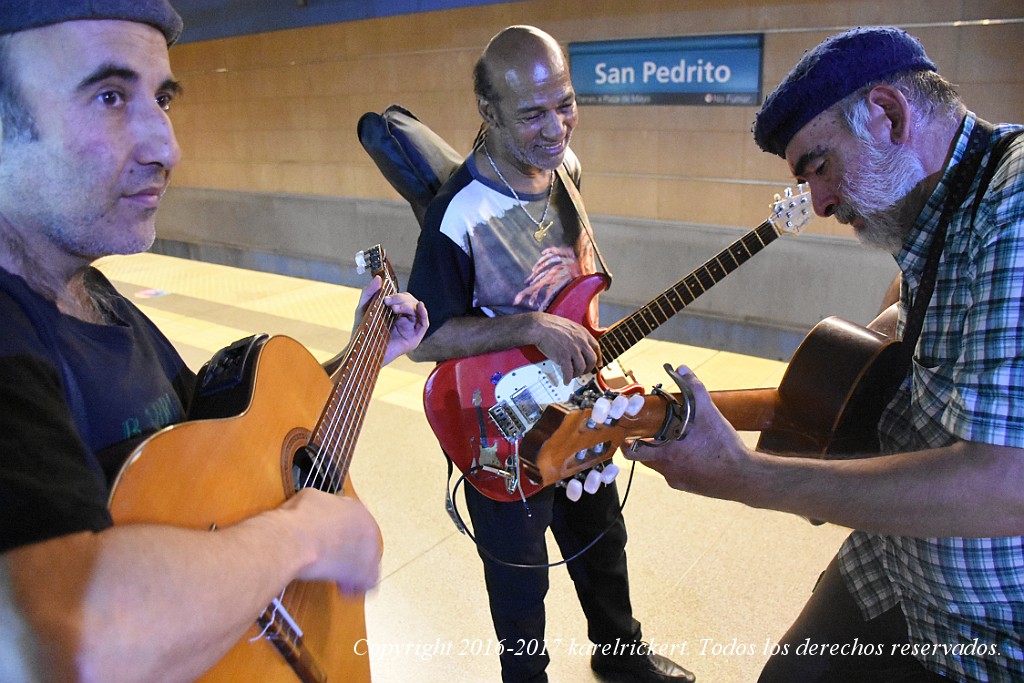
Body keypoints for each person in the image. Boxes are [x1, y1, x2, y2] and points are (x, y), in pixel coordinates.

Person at [0, 2, 428, 681]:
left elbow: (219, 445)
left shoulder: (95, 296)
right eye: (109, 96)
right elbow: (69, 638)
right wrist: (305, 534)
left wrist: (363, 355)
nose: (166, 146)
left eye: (161, 97)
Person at [626, 26, 1024, 683]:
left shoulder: (1010, 210)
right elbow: (874, 387)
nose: (818, 202)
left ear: (888, 114)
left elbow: (1004, 482)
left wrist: (744, 476)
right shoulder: (931, 217)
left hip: (989, 631)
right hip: (891, 567)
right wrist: (662, 411)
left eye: (819, 166)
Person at [407, 25, 695, 683]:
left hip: (578, 398)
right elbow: (424, 340)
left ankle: (620, 660)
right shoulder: (458, 213)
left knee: (602, 540)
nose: (556, 125)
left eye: (564, 103)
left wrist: (575, 330)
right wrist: (530, 326)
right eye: (532, 112)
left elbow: (572, 280)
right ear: (489, 111)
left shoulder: (567, 170)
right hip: (498, 423)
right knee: (519, 582)